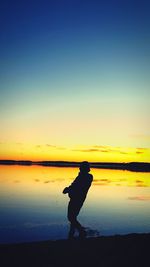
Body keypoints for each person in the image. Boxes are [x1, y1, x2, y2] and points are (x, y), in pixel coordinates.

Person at [63, 161, 93, 239]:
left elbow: (77, 186)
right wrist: (68, 189)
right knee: (73, 217)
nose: (79, 168)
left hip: (78, 199)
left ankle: (82, 231)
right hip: (75, 198)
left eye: (81, 167)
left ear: (84, 168)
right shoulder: (81, 176)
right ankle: (71, 234)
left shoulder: (87, 177)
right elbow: (74, 184)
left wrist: (68, 190)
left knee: (71, 217)